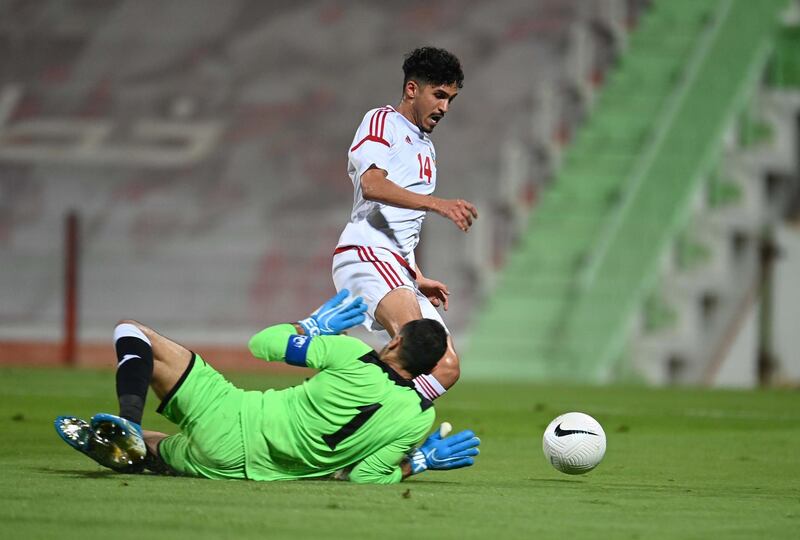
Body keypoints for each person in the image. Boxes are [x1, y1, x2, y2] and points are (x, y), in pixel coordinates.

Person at [54, 290, 480, 484]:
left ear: (397, 339)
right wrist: (418, 462)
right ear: (427, 369)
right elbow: (368, 478)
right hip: (238, 468)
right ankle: (140, 447)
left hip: (231, 416)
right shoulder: (418, 417)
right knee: (160, 447)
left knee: (134, 331)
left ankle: (128, 423)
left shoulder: (350, 355)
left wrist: (310, 326)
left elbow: (262, 345)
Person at [333, 46, 479, 402]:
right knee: (413, 348)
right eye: (439, 95)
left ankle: (364, 413)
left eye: (451, 99)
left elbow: (400, 224)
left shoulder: (426, 147)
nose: (444, 107)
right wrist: (437, 204)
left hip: (396, 265)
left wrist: (414, 273)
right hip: (365, 253)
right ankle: (346, 421)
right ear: (413, 89)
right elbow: (372, 186)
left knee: (446, 366)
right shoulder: (383, 121)